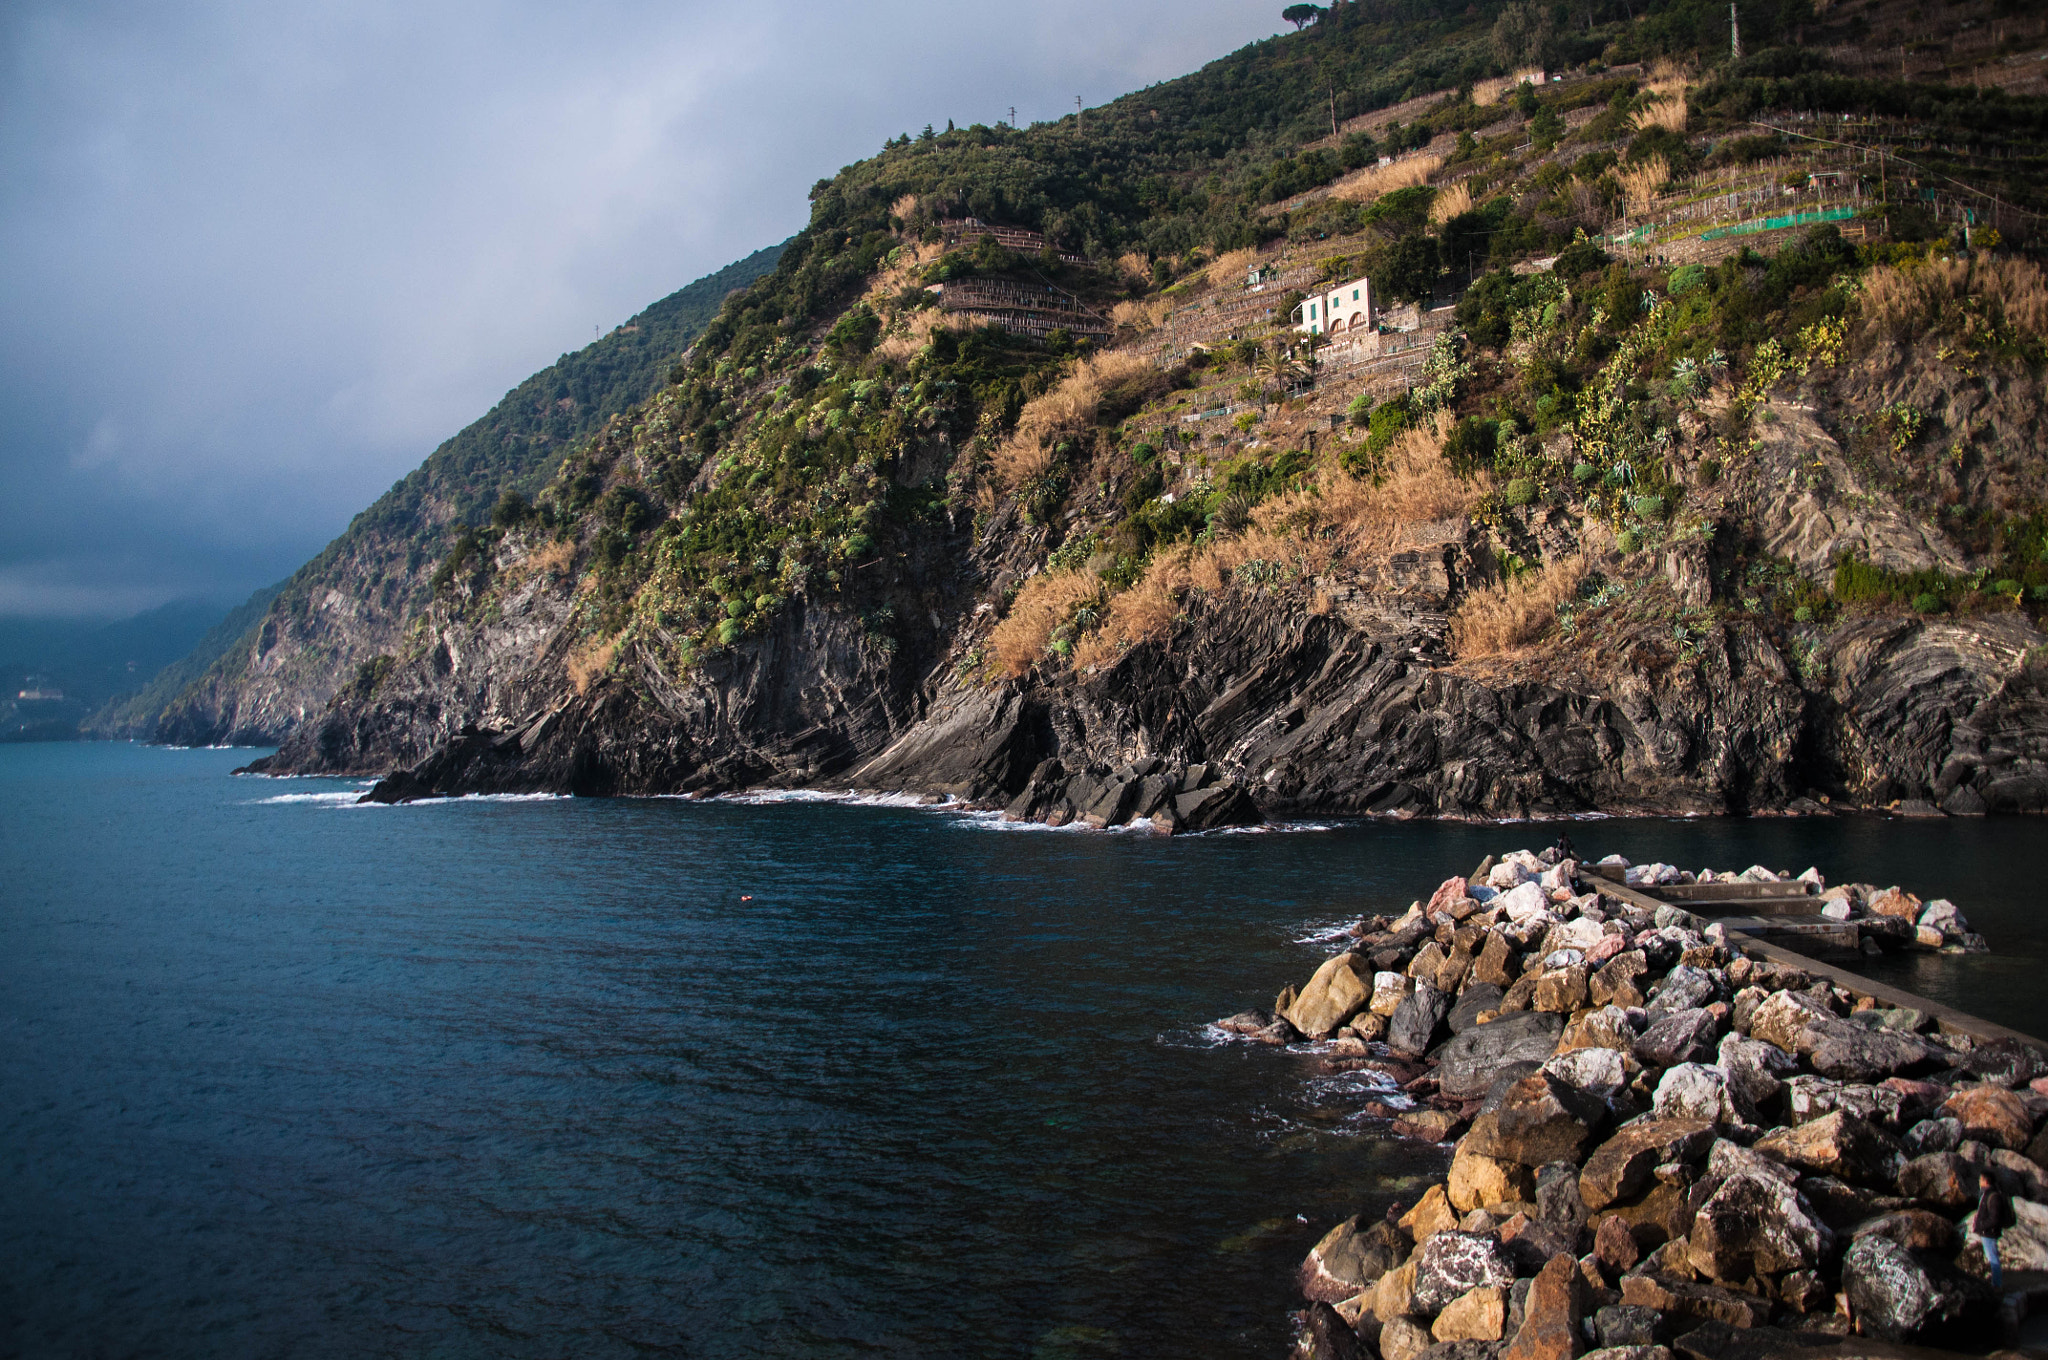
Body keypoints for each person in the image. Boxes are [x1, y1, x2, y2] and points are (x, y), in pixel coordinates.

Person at [1969, 1169, 2008, 1290]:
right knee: (1992, 1258)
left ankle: (1997, 1285)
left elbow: (1994, 1218)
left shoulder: (1993, 1196)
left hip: (1989, 1232)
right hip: (1987, 1232)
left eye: (1980, 1179)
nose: (1979, 1181)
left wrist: (1980, 1225)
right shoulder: (1987, 1193)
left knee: (1993, 1259)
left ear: (1986, 1181)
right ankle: (1995, 1283)